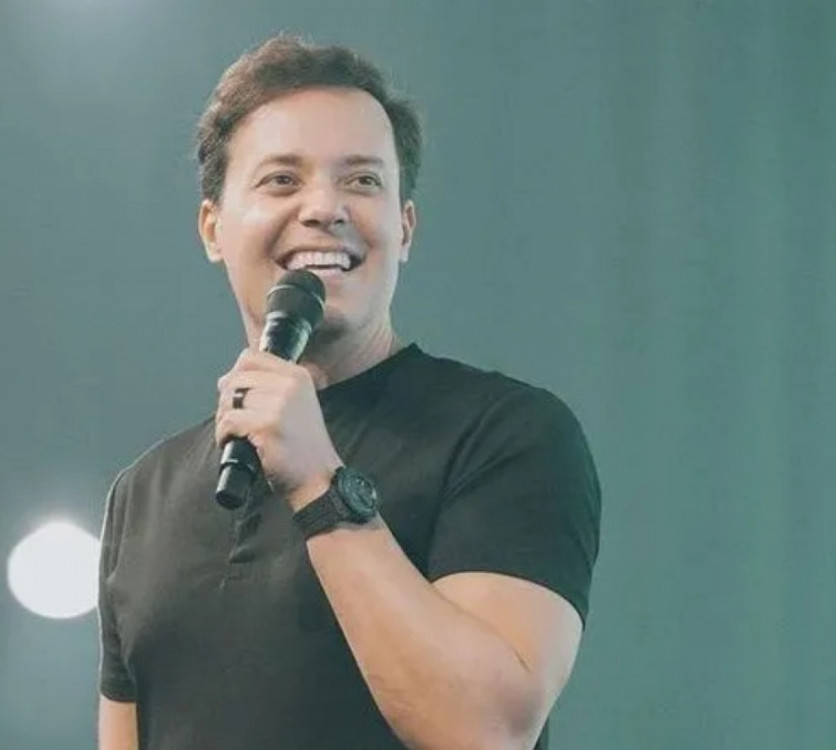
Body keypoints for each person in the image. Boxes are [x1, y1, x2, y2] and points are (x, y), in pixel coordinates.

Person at [96, 34, 601, 750]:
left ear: (405, 228)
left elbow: (486, 730)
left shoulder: (506, 434)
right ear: (213, 228)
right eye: (281, 180)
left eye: (362, 181)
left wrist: (319, 484)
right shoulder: (142, 493)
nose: (324, 207)